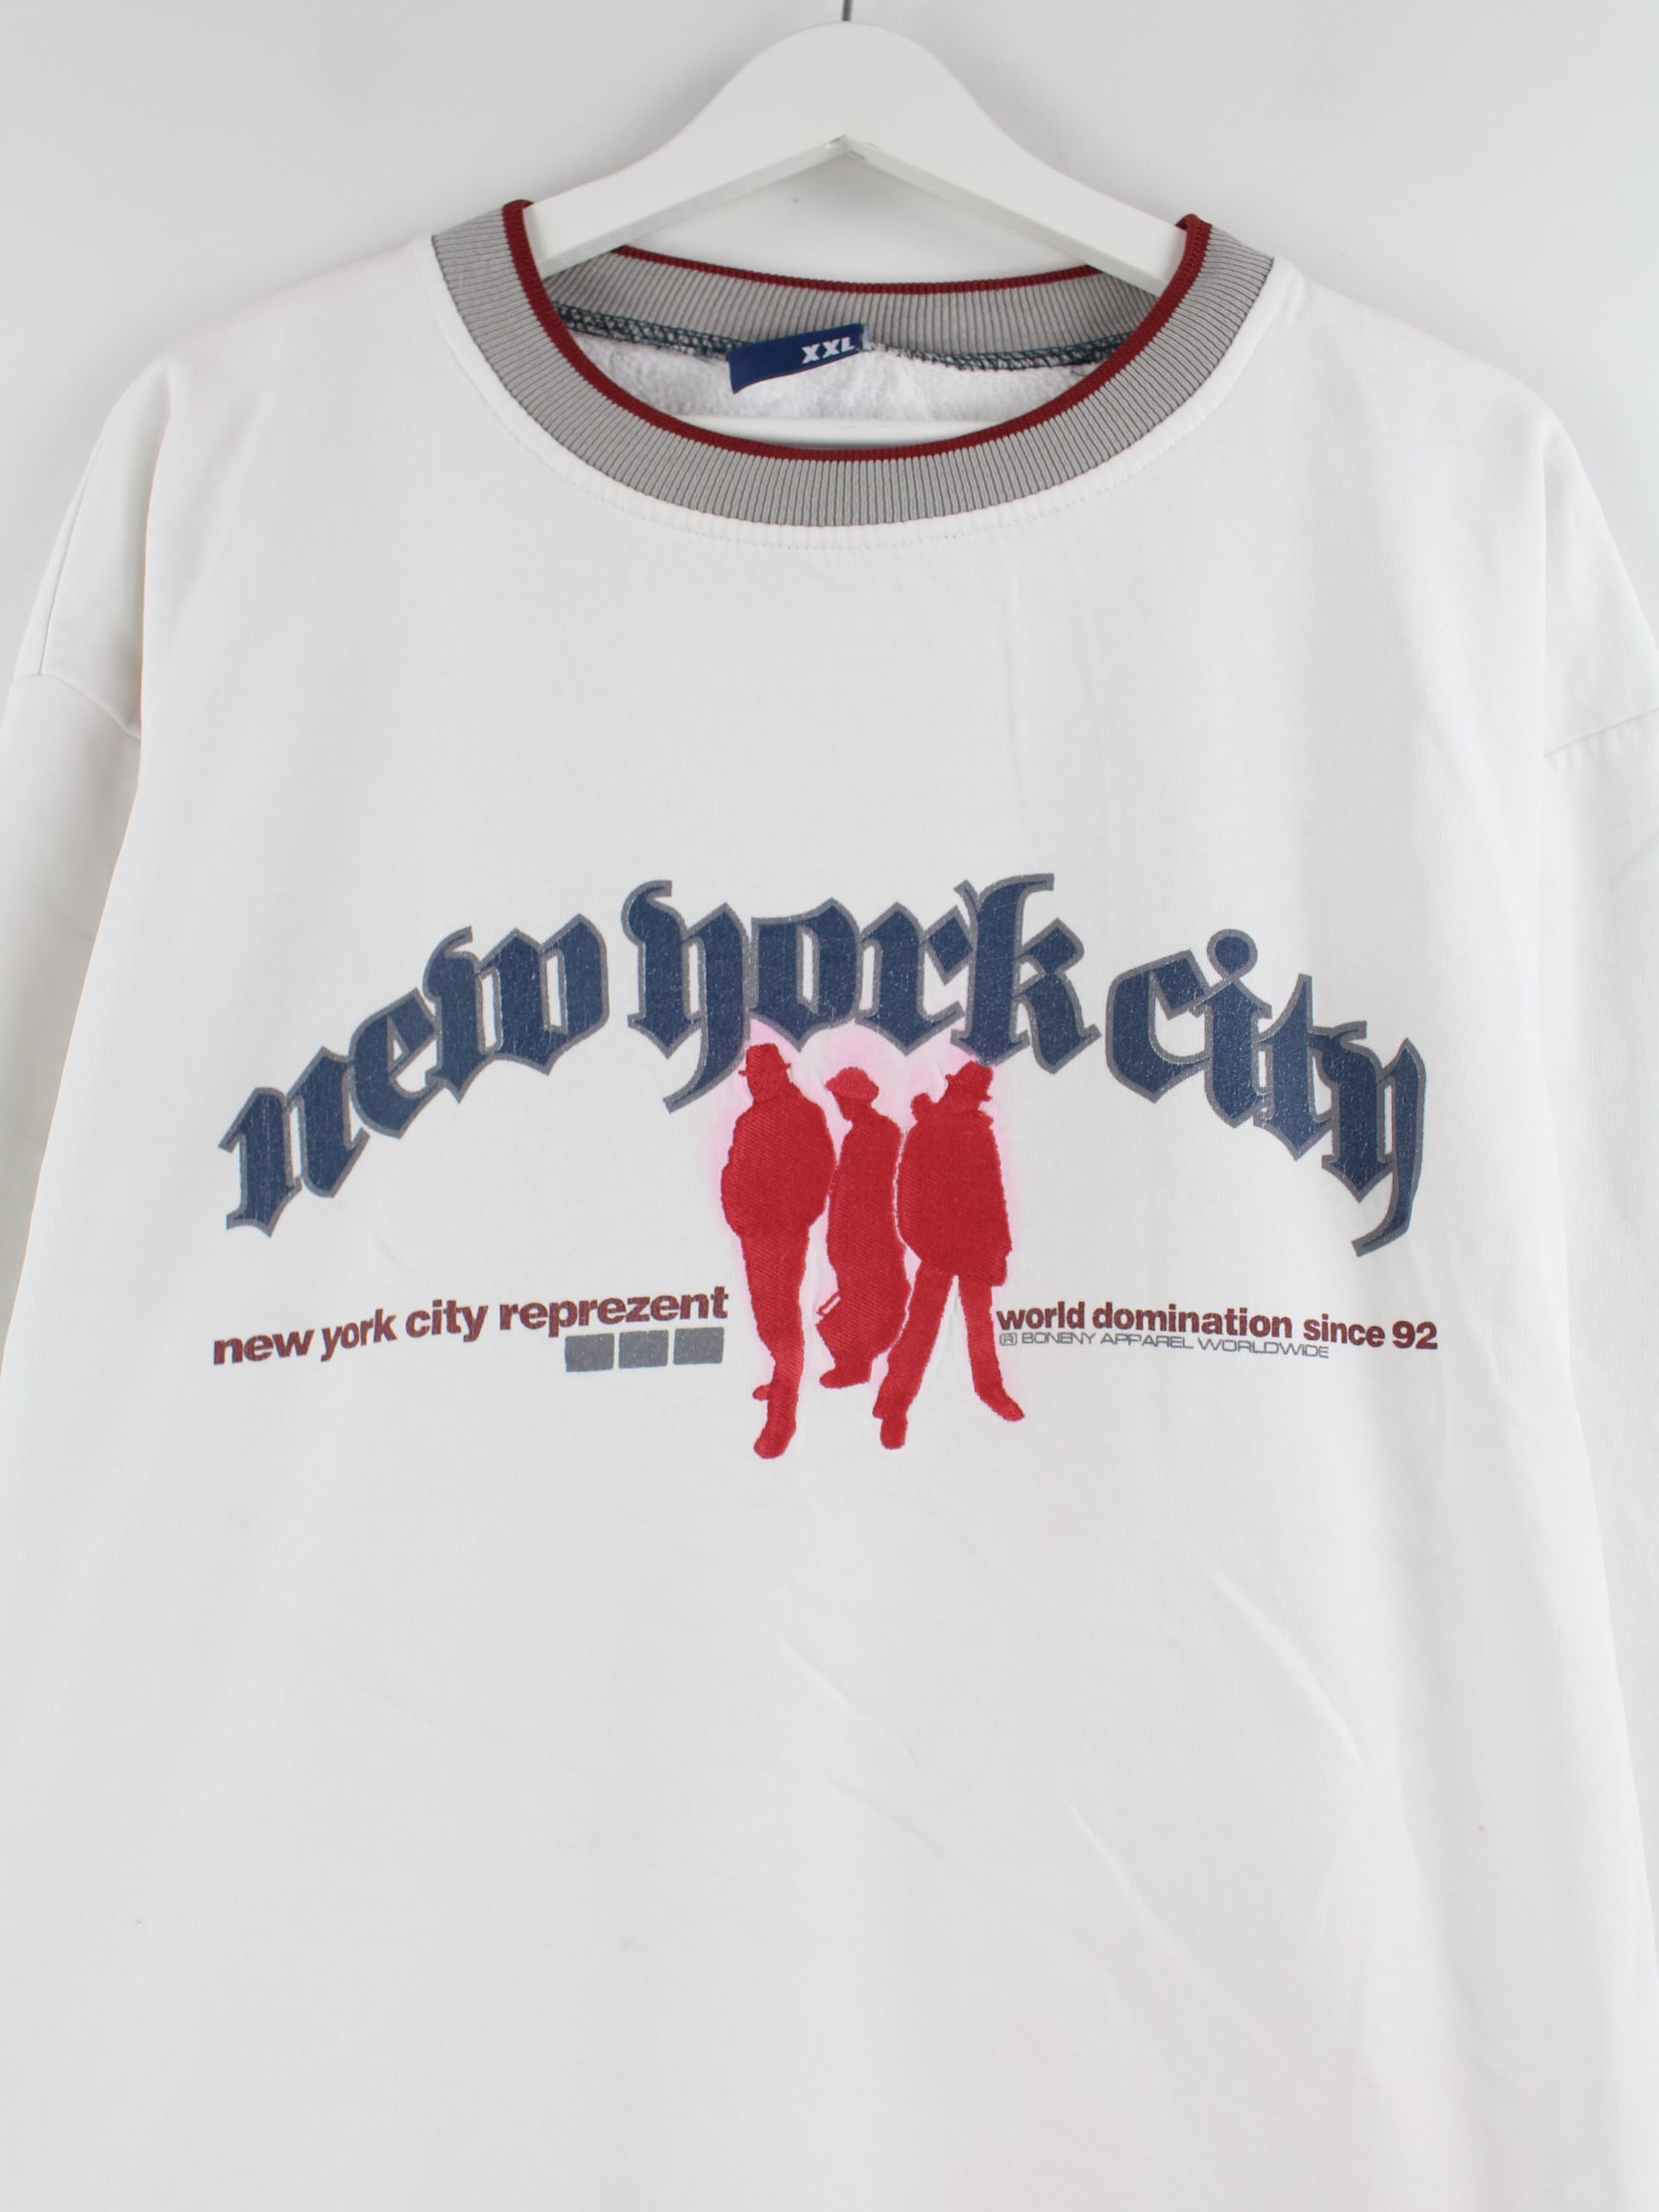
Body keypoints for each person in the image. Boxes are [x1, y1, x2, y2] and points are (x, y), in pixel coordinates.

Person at [874, 1061, 1023, 1450]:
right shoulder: (926, 1130)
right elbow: (907, 1196)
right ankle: (893, 1404)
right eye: (967, 1095)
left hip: (977, 1248)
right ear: (955, 1091)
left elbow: (993, 1194)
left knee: (979, 1324)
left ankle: (989, 1389)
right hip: (939, 1249)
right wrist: (923, 1242)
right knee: (921, 1328)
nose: (971, 1103)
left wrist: (1000, 1244)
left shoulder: (979, 1133)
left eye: (975, 1098)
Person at [719, 1041, 834, 1457]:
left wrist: (793, 1218)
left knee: (781, 1320)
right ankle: (784, 1376)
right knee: (768, 1319)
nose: (756, 1085)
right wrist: (739, 1218)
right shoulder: (748, 1121)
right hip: (754, 1236)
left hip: (783, 1237)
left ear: (780, 1074)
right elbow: (733, 1172)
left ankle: (781, 1417)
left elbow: (822, 1171)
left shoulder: (805, 1114)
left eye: (763, 1076)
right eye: (752, 1079)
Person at [816, 1068, 909, 1388]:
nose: (840, 1105)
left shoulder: (872, 1134)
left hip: (865, 1234)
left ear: (856, 1100)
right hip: (861, 1233)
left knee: (865, 1300)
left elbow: (860, 1190)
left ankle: (854, 1365)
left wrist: (841, 1235)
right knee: (862, 1298)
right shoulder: (874, 1132)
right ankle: (854, 1363)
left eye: (842, 1099)